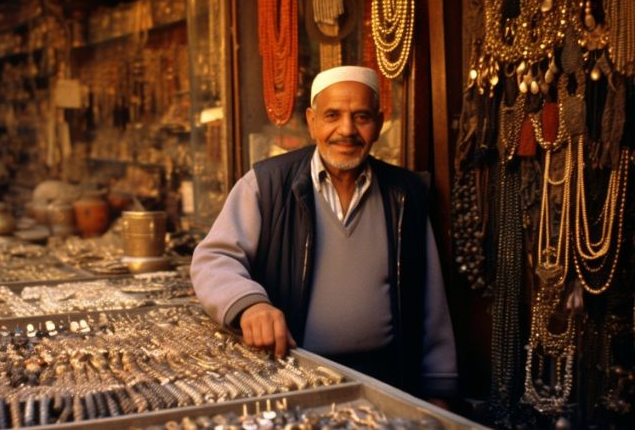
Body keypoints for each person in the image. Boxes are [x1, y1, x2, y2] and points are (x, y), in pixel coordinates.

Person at [191, 66, 457, 400]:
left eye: (361, 116)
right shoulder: (267, 184)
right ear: (312, 120)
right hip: (290, 374)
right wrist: (250, 304)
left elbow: (431, 302)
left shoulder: (405, 195)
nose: (346, 129)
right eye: (332, 115)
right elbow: (213, 258)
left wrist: (439, 389)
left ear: (378, 122)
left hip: (387, 382)